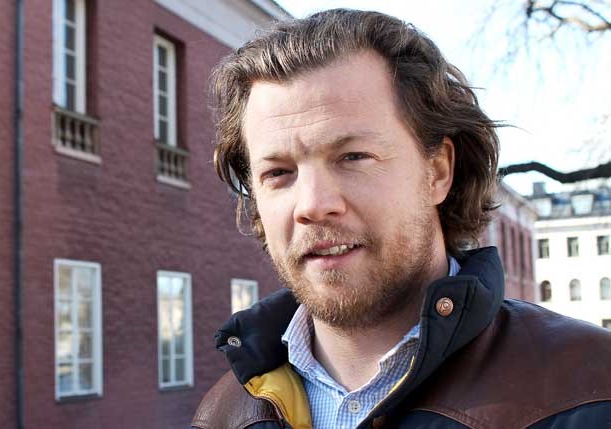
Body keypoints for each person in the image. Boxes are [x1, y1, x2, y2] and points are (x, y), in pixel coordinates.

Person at [191, 8, 611, 429]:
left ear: (438, 171)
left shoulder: (591, 390)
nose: (312, 205)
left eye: (353, 157)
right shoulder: (222, 416)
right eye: (278, 173)